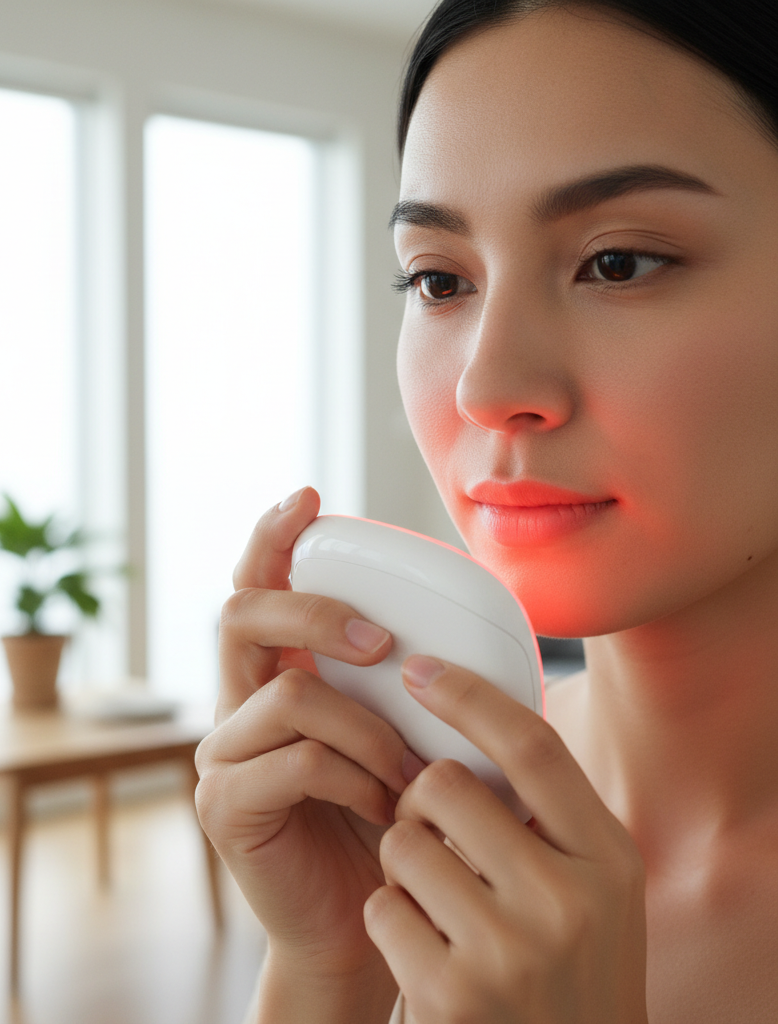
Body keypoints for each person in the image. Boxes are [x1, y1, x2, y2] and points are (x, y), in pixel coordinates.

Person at [194, 0, 778, 1020]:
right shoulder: (430, 813)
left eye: (619, 262)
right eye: (438, 279)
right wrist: (332, 967)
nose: (485, 384)